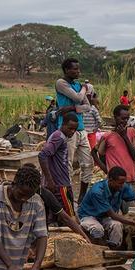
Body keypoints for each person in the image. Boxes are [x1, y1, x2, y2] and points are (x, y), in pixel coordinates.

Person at [78, 167, 135, 249]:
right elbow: (113, 215)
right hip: (89, 216)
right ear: (110, 180)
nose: (122, 186)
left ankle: (113, 249)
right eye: (120, 183)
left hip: (105, 216)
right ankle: (97, 249)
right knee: (97, 229)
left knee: (117, 225)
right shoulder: (98, 191)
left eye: (123, 183)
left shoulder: (122, 186)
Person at [55, 58, 93, 203]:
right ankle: (68, 197)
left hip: (81, 129)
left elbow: (88, 106)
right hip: (67, 130)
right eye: (75, 69)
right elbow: (78, 98)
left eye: (78, 69)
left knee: (88, 163)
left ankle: (82, 196)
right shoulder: (61, 83)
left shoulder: (76, 84)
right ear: (66, 70)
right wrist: (85, 88)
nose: (78, 71)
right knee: (67, 164)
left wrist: (70, 108)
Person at [38, 112, 78, 217]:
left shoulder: (59, 136)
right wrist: (50, 180)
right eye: (70, 128)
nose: (73, 132)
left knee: (56, 215)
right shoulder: (59, 137)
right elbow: (42, 155)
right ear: (63, 125)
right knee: (69, 216)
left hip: (59, 182)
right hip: (59, 184)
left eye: (75, 129)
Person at [93, 105, 135, 184]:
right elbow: (95, 153)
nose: (125, 121)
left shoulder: (132, 132)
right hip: (115, 181)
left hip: (130, 177)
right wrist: (106, 170)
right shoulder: (108, 136)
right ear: (115, 117)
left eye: (127, 119)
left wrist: (125, 137)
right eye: (122, 118)